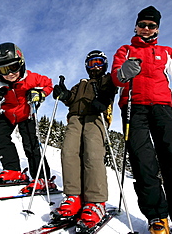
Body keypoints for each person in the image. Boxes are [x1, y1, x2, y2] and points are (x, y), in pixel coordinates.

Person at [111, 6, 172, 234]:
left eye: (151, 26)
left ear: (157, 29)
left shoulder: (166, 52)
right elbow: (116, 77)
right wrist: (123, 73)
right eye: (143, 25)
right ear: (136, 26)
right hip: (134, 108)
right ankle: (157, 216)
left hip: (163, 107)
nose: (147, 29)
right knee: (142, 162)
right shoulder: (125, 50)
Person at [49, 50, 117, 232]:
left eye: (99, 63)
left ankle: (96, 201)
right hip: (76, 117)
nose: (95, 66)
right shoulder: (81, 84)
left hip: (96, 117)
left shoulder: (107, 79)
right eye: (91, 63)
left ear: (104, 64)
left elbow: (112, 90)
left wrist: (104, 99)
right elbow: (71, 99)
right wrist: (63, 94)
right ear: (86, 66)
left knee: (92, 155)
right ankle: (73, 196)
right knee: (69, 152)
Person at [0, 42, 56, 193]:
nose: (10, 73)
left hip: (27, 113)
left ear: (21, 64)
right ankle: (13, 170)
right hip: (9, 113)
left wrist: (40, 93)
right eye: (4, 70)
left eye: (13, 67)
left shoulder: (31, 78)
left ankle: (42, 178)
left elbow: (49, 84)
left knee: (31, 145)